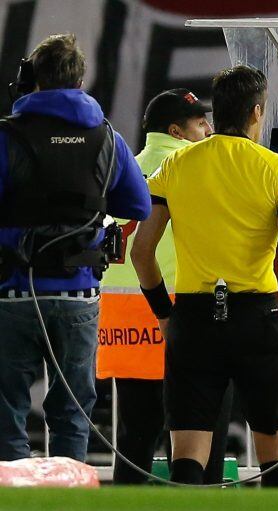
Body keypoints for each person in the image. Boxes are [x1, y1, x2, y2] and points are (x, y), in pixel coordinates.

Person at [131, 65, 278, 486]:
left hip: (193, 321)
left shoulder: (175, 166)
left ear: (217, 113)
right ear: (255, 112)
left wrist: (165, 315)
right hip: (256, 322)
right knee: (275, 457)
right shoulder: (277, 169)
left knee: (188, 459)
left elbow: (142, 253)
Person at [0, 34, 150, 462]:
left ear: (32, 79)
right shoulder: (106, 138)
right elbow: (137, 204)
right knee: (72, 413)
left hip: (13, 291)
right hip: (78, 292)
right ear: (80, 80)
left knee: (6, 409)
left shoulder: (6, 137)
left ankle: (13, 501)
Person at [96, 89, 234, 484]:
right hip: (178, 316)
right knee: (198, 441)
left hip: (124, 325)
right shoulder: (194, 169)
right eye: (200, 123)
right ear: (176, 130)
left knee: (135, 442)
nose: (208, 129)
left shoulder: (124, 170)